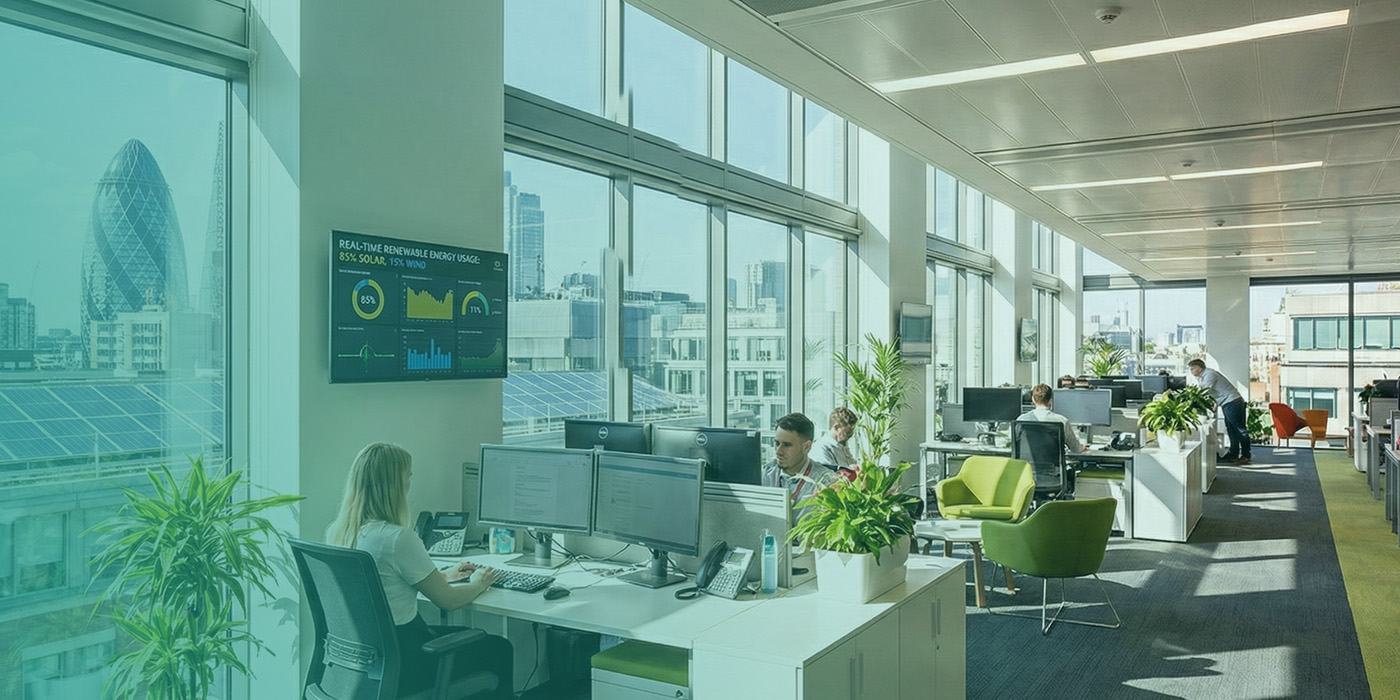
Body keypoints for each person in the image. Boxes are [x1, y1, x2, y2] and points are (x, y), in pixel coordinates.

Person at [326, 443, 514, 699]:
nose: (409, 483)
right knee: (499, 648)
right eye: (408, 477)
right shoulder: (397, 538)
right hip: (407, 663)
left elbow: (383, 581)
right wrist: (479, 582)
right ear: (394, 486)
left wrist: (442, 576)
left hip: (364, 663)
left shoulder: (340, 532)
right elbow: (449, 601)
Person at [761, 412, 844, 524]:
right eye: (776, 443)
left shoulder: (826, 482)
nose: (778, 451)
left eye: (787, 445)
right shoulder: (766, 475)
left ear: (806, 447)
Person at [1188, 358, 1250, 465]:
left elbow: (1203, 391)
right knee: (1231, 430)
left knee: (1240, 430)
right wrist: (1215, 404)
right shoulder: (1206, 375)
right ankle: (1233, 454)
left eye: (1192, 368)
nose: (1191, 371)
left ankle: (1246, 455)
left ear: (1199, 368)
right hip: (1229, 402)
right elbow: (1218, 391)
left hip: (1232, 402)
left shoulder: (1209, 374)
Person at [1016, 384, 1086, 454]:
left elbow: (1014, 443)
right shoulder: (1062, 421)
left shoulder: (1021, 420)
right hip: (1053, 461)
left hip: (1027, 461)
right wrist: (1082, 447)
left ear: (1033, 399)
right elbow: (1076, 449)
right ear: (1050, 401)